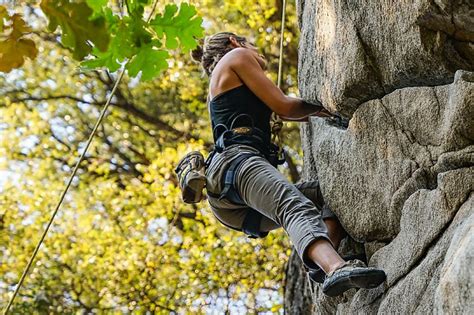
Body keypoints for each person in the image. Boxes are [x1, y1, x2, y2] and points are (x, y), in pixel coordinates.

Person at [190, 32, 386, 297]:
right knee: (293, 206)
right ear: (235, 42)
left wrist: (311, 113)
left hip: (232, 204)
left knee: (331, 193)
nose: (257, 52)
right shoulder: (237, 56)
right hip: (236, 166)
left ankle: (321, 260)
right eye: (251, 44)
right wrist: (325, 109)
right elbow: (284, 106)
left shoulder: (224, 84)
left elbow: (286, 111)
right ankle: (336, 269)